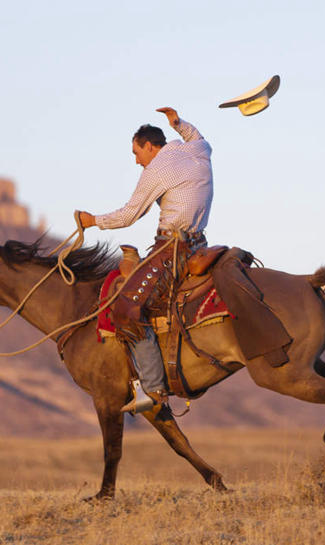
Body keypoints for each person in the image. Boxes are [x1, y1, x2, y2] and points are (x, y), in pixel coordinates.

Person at [77, 107, 213, 413]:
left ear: (150, 147)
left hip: (172, 250)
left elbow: (129, 215)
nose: (136, 160)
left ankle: (152, 387)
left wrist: (92, 220)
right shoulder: (197, 151)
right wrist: (178, 123)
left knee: (125, 307)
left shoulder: (158, 170)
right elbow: (199, 137)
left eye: (137, 152)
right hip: (200, 244)